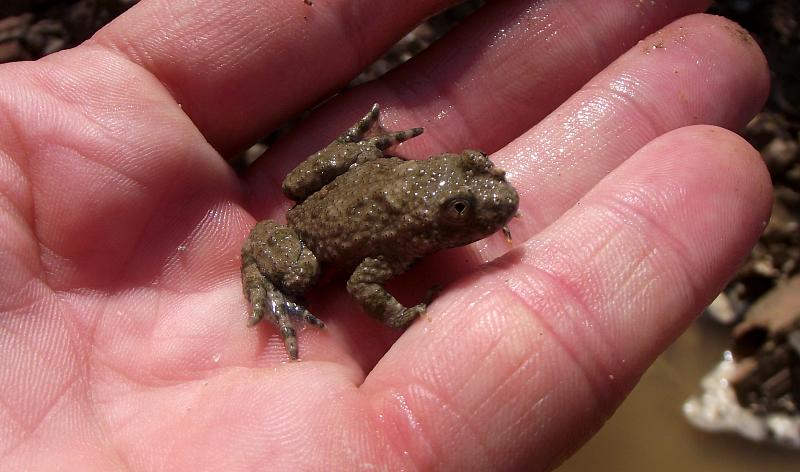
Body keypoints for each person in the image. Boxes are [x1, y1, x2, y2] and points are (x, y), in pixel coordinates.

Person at [0, 0, 772, 469]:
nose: (496, 200)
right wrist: (408, 317)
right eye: (466, 211)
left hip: (348, 188)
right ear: (435, 224)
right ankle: (272, 295)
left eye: (476, 178)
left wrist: (375, 163)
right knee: (294, 272)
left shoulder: (427, 210)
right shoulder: (402, 240)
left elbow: (380, 237)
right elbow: (366, 281)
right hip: (304, 232)